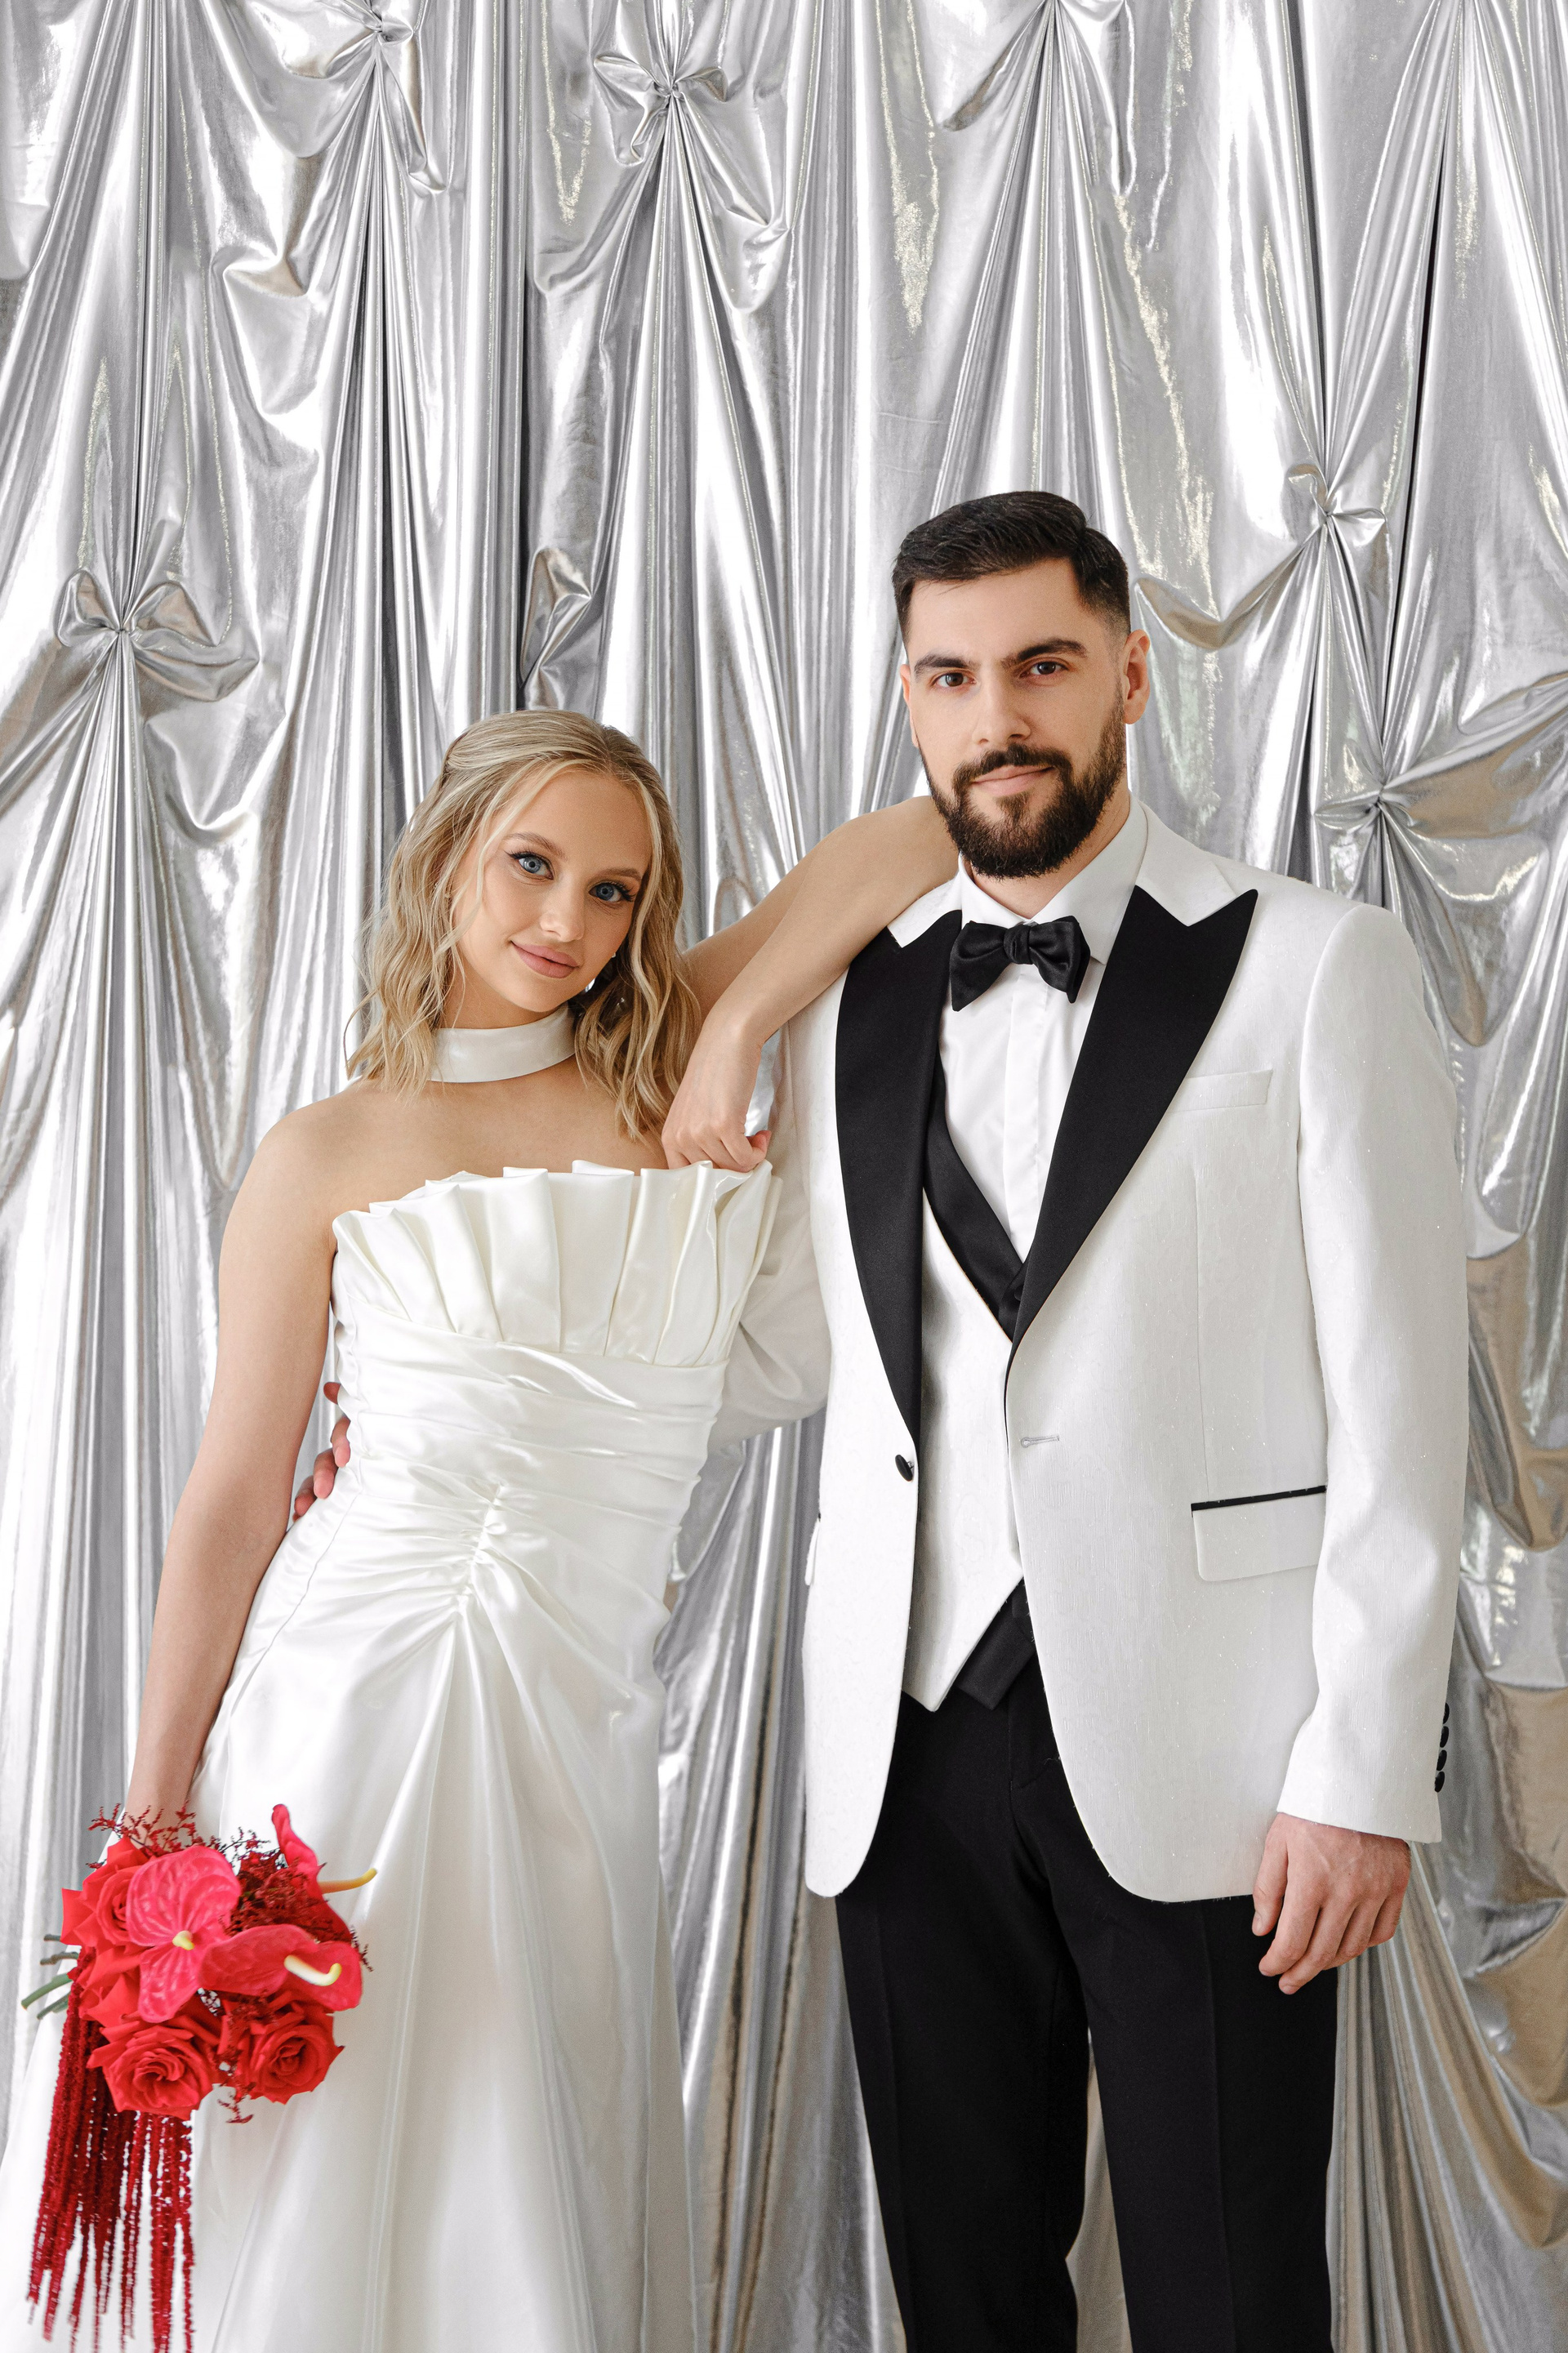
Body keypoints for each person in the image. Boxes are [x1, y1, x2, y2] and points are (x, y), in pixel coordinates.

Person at [0, 710, 952, 2353]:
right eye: (530, 864)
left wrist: (737, 1030)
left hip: (582, 1712)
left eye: (613, 890)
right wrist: (152, 1812)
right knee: (340, 2147)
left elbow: (920, 836)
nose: (567, 920)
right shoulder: (327, 1149)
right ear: (446, 859)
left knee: (525, 2139)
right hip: (358, 1690)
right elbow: (234, 1495)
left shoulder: (663, 1059)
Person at [663, 492, 1468, 2352]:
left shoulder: (1314, 964)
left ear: (1130, 672)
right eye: (949, 677)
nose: (997, 716)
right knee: (964, 2298)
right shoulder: (851, 1003)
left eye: (1040, 665)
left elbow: (1404, 1402)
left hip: (1224, 1756)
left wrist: (1363, 1769)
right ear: (907, 698)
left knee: (1230, 2299)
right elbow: (789, 1356)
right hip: (906, 1742)